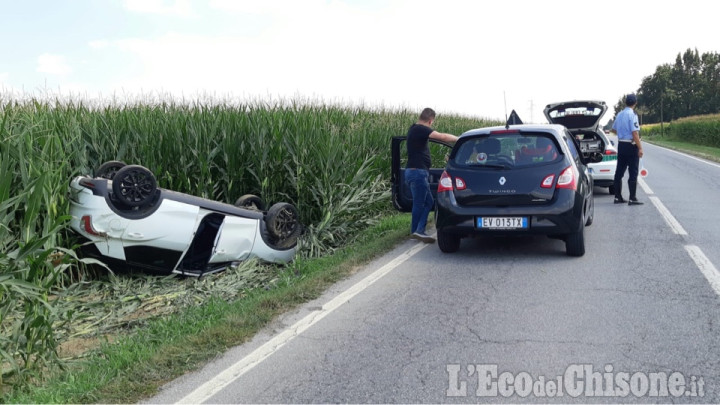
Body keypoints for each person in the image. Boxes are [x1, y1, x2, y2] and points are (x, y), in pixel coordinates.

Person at [405, 108, 458, 243]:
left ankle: (417, 231)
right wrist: (459, 139)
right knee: (419, 202)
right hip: (417, 172)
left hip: (415, 172)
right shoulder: (421, 129)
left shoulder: (414, 129)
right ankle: (417, 231)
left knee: (429, 202)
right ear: (430, 120)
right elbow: (443, 137)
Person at [611, 94, 644, 205]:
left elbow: (613, 130)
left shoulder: (619, 114)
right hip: (631, 145)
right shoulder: (633, 115)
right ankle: (632, 198)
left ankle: (617, 196)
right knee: (633, 171)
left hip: (621, 145)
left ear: (625, 102)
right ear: (635, 103)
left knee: (619, 171)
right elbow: (635, 132)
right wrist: (640, 148)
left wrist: (622, 133)